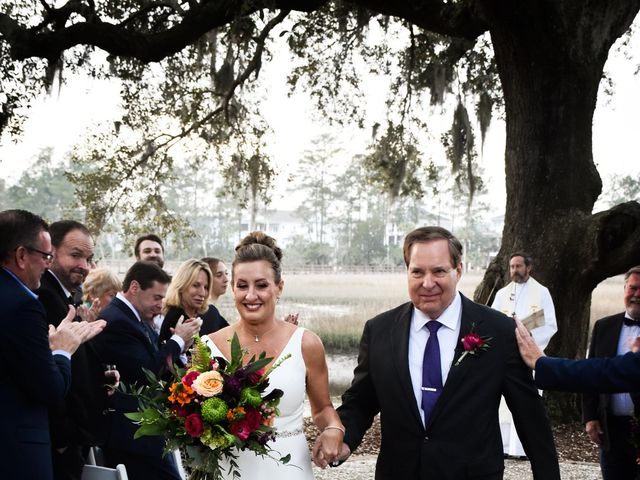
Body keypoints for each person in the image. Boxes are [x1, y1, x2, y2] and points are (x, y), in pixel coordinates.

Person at [317, 226, 560, 479]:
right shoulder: (380, 330)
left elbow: (530, 417)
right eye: (417, 272)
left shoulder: (499, 331)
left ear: (458, 270)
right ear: (407, 272)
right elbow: (361, 400)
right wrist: (343, 438)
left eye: (439, 271)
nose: (427, 283)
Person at [204, 232, 343, 479]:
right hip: (227, 471)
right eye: (242, 286)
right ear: (232, 288)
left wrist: (333, 428)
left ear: (279, 287)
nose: (251, 296)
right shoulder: (207, 347)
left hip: (289, 470)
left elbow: (322, 408)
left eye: (261, 285)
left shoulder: (306, 343)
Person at [0, 209, 105, 480]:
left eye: (89, 258)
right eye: (46, 256)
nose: (47, 265)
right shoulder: (27, 303)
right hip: (24, 450)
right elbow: (48, 387)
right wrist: (61, 350)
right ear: (22, 255)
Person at [91, 261, 202, 480]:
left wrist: (182, 347)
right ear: (134, 288)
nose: (160, 305)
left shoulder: (133, 318)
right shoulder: (116, 321)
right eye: (157, 297)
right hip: (132, 434)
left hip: (146, 431)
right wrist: (178, 339)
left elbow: (157, 362)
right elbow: (148, 371)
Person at [37, 220, 112, 480]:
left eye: (89, 259)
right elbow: (44, 369)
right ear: (51, 252)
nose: (84, 266)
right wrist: (63, 437)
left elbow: (74, 357)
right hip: (58, 443)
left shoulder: (64, 296)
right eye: (76, 255)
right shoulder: (44, 296)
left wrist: (100, 377)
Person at [491, 252, 558, 458]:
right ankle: (503, 446)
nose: (514, 270)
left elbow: (549, 323)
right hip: (505, 356)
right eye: (511, 267)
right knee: (503, 403)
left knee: (526, 402)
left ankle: (522, 449)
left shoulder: (542, 292)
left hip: (528, 356)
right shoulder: (503, 293)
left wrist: (525, 338)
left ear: (529, 268)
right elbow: (492, 320)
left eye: (518, 266)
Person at [158, 259, 228, 344]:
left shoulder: (211, 313)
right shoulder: (173, 318)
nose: (202, 293)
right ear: (182, 285)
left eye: (206, 287)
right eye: (196, 285)